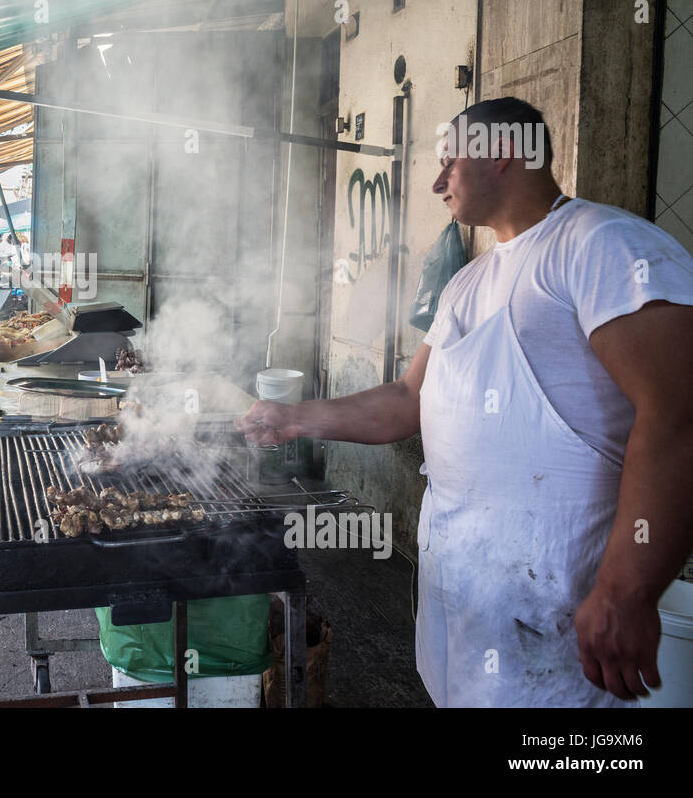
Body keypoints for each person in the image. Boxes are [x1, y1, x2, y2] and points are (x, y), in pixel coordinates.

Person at [238, 97, 693, 708]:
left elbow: (678, 416)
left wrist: (627, 590)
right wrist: (295, 418)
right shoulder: (467, 283)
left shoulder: (598, 245)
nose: (435, 180)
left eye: (449, 160)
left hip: (562, 610)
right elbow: (406, 399)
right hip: (473, 599)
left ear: (504, 153)